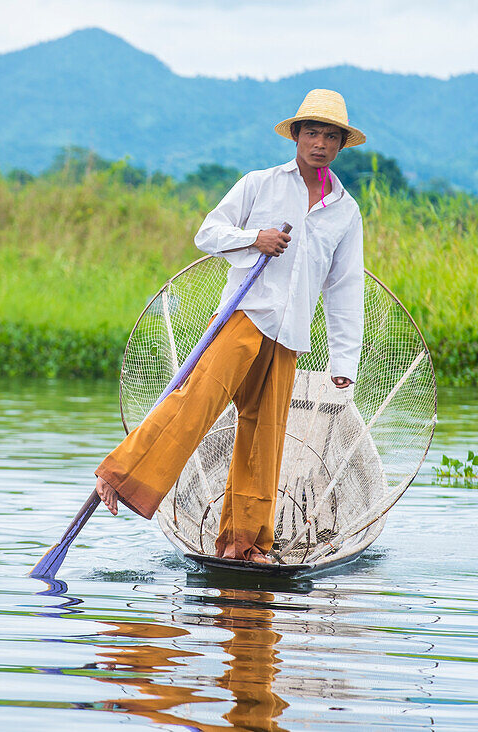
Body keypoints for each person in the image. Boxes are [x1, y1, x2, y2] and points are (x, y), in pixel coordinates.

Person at [93, 89, 366, 564]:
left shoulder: (344, 210)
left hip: (290, 336)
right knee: (196, 401)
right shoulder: (260, 184)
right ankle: (118, 475)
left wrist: (344, 360)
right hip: (245, 317)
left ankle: (245, 544)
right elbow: (208, 233)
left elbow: (344, 290)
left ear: (341, 145)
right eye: (313, 132)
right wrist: (252, 239)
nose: (320, 143)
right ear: (297, 136)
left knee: (265, 438)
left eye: (330, 136)